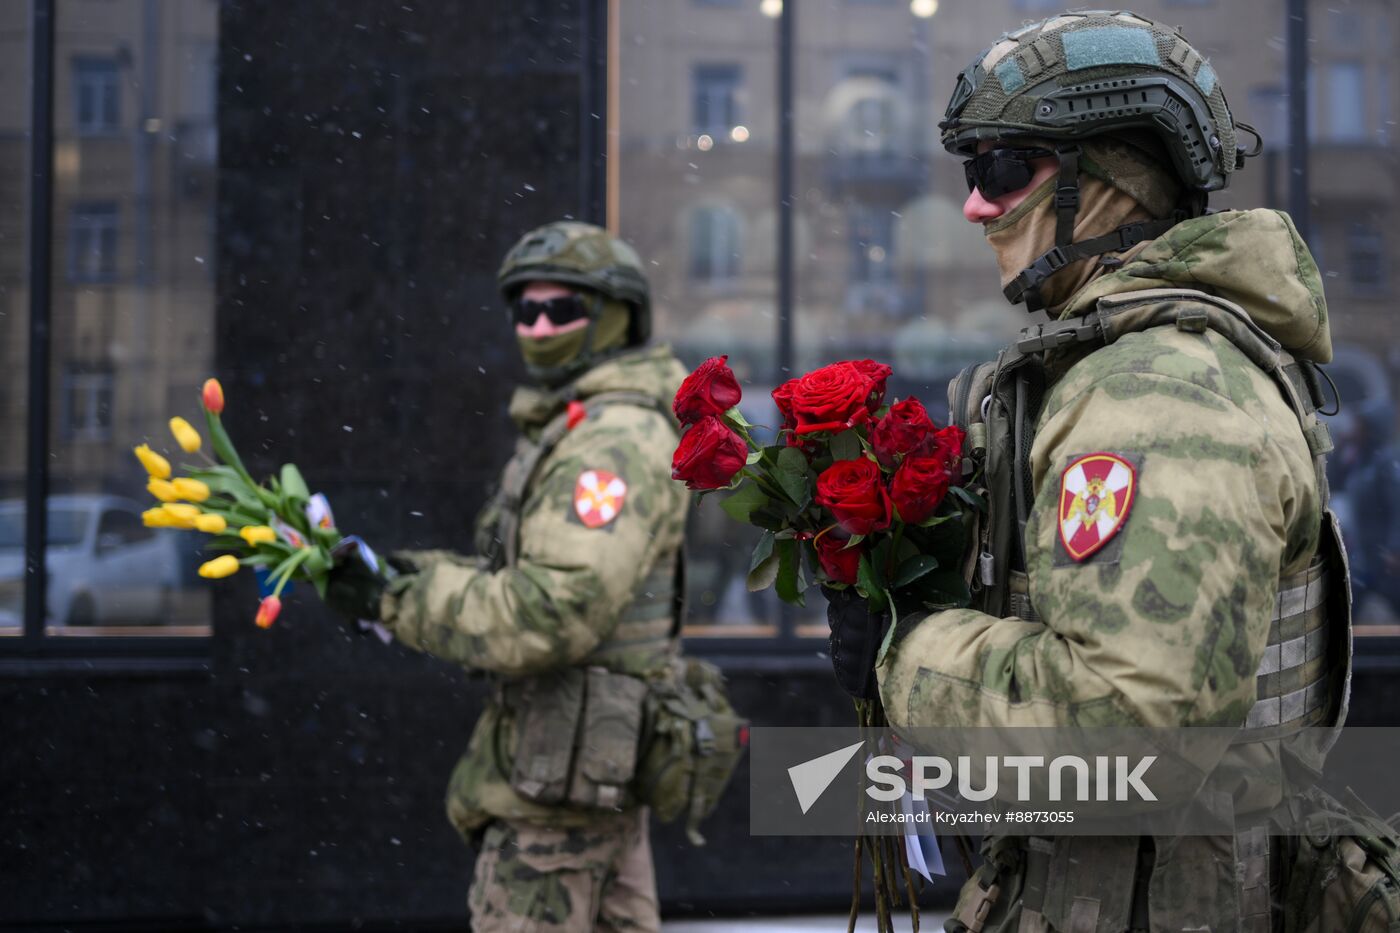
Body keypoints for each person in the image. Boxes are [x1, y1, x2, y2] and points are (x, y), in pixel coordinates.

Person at [824, 10, 1396, 931]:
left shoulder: (1157, 393)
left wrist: (909, 652)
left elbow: (1129, 727)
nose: (974, 205)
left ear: (1112, 183)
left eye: (1003, 169)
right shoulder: (1137, 366)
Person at [327, 221, 692, 932]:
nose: (540, 326)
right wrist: (404, 574)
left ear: (616, 317)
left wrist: (397, 599)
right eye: (525, 310)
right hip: (580, 781)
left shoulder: (609, 441)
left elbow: (550, 612)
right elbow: (524, 575)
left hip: (560, 804)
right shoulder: (579, 422)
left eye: (564, 309)